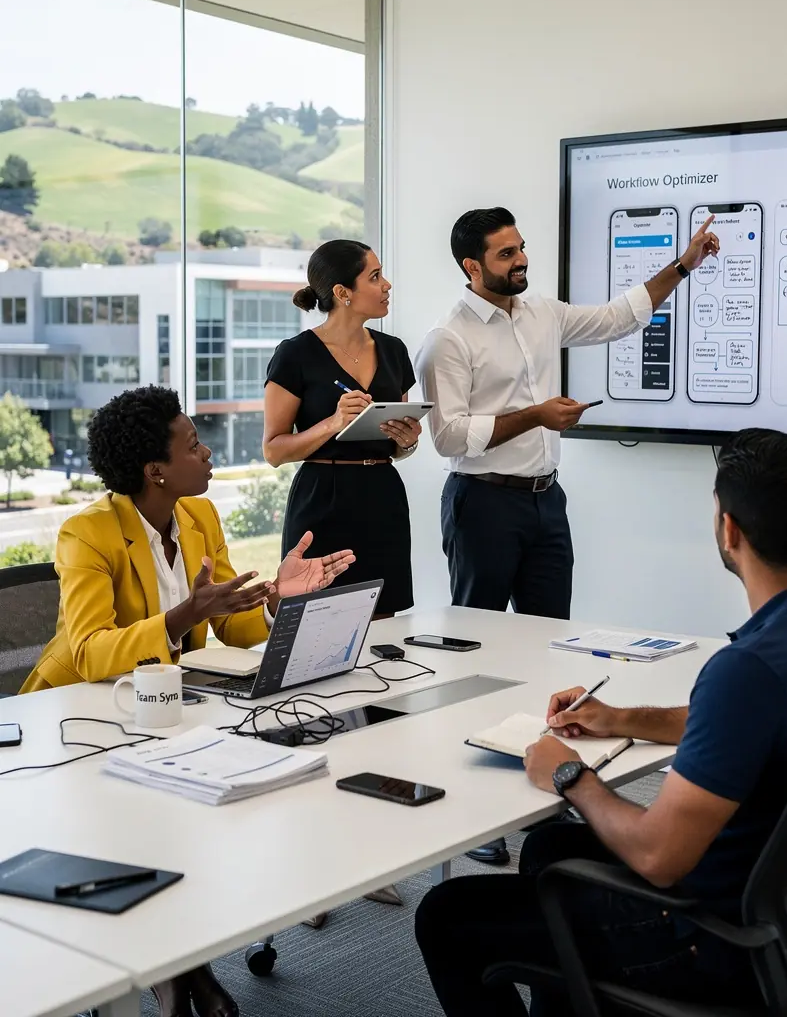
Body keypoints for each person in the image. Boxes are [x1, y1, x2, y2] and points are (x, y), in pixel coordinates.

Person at [415, 428, 787, 1016]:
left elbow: (659, 857)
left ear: (729, 531)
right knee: (552, 845)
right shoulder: (782, 658)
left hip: (711, 941)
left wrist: (571, 776)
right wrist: (619, 718)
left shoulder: (748, 670)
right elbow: (747, 727)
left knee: (448, 914)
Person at [22, 385, 354, 1017]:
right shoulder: (85, 533)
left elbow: (232, 627)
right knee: (146, 819)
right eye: (194, 445)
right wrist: (180, 618)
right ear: (155, 470)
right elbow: (91, 651)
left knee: (201, 806)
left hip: (167, 709)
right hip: (74, 718)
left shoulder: (199, 519)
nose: (207, 454)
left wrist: (278, 601)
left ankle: (180, 968)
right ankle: (179, 974)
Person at [417, 206, 718, 865]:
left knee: (547, 653)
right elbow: (448, 435)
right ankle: (478, 817)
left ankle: (544, 789)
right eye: (505, 254)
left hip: (545, 503)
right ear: (472, 266)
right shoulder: (449, 338)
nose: (521, 261)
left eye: (521, 248)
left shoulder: (541, 312)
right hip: (481, 505)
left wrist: (684, 266)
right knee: (482, 657)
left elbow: (617, 316)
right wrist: (536, 416)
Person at [264, 239, 421, 619]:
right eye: (376, 276)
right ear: (342, 292)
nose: (387, 285)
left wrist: (407, 443)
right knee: (316, 622)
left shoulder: (394, 350)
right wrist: (333, 422)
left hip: (383, 497)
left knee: (383, 622)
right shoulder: (295, 354)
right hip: (322, 500)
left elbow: (399, 441)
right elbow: (274, 450)